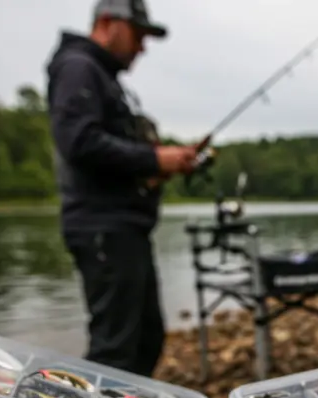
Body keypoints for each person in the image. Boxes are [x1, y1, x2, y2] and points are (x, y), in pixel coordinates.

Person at [45, 0, 197, 377]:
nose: (142, 48)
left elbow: (104, 156)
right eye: (138, 35)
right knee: (115, 351)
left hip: (123, 228)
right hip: (104, 229)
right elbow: (78, 142)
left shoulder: (100, 74)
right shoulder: (78, 67)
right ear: (108, 23)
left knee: (146, 339)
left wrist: (150, 171)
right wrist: (155, 159)